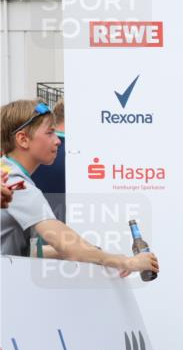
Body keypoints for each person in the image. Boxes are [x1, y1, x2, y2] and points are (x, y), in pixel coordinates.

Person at [1, 99, 158, 276]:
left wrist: (95, 253)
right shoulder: (14, 181)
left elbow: (23, 251)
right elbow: (65, 242)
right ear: (23, 139)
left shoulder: (9, 173)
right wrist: (125, 261)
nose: (58, 141)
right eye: (50, 133)